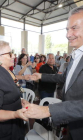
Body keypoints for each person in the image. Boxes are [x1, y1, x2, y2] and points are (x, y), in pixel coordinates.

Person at [24, 6, 83, 140]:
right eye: (67, 29)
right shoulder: (76, 55)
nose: (68, 34)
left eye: (74, 28)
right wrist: (41, 75)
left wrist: (48, 110)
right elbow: (63, 78)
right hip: (72, 123)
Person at [0, 41, 27, 140]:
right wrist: (15, 114)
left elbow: (8, 94)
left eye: (13, 53)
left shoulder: (8, 71)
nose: (13, 56)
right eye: (10, 54)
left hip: (13, 125)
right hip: (1, 131)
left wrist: (20, 100)